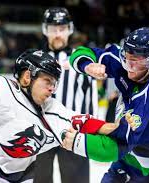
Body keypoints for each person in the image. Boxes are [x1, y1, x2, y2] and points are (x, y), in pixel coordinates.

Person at [0, 48, 115, 183]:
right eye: (47, 81)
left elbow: (86, 123)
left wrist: (121, 129)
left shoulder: (52, 109)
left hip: (15, 178)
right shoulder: (0, 88)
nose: (52, 88)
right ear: (27, 77)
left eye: (55, 83)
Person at [62, 27, 149, 182]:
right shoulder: (128, 61)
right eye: (127, 58)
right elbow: (82, 52)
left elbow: (116, 146)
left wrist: (77, 142)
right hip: (127, 161)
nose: (129, 67)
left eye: (136, 61)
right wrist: (88, 65)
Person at [35, 7, 98, 183]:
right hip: (40, 133)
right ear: (45, 30)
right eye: (53, 29)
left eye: (62, 29)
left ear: (69, 30)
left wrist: (91, 131)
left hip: (73, 132)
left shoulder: (81, 60)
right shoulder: (34, 59)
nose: (57, 34)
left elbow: (90, 97)